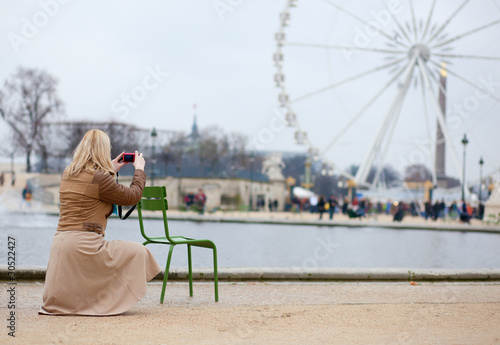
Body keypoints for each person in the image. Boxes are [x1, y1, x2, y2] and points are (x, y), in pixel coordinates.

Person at [39, 129, 161, 316]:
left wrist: (110, 169)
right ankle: (105, 300)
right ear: (103, 150)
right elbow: (132, 196)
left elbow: (91, 186)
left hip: (60, 246)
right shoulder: (100, 179)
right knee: (138, 252)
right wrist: (139, 170)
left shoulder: (67, 173)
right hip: (85, 247)